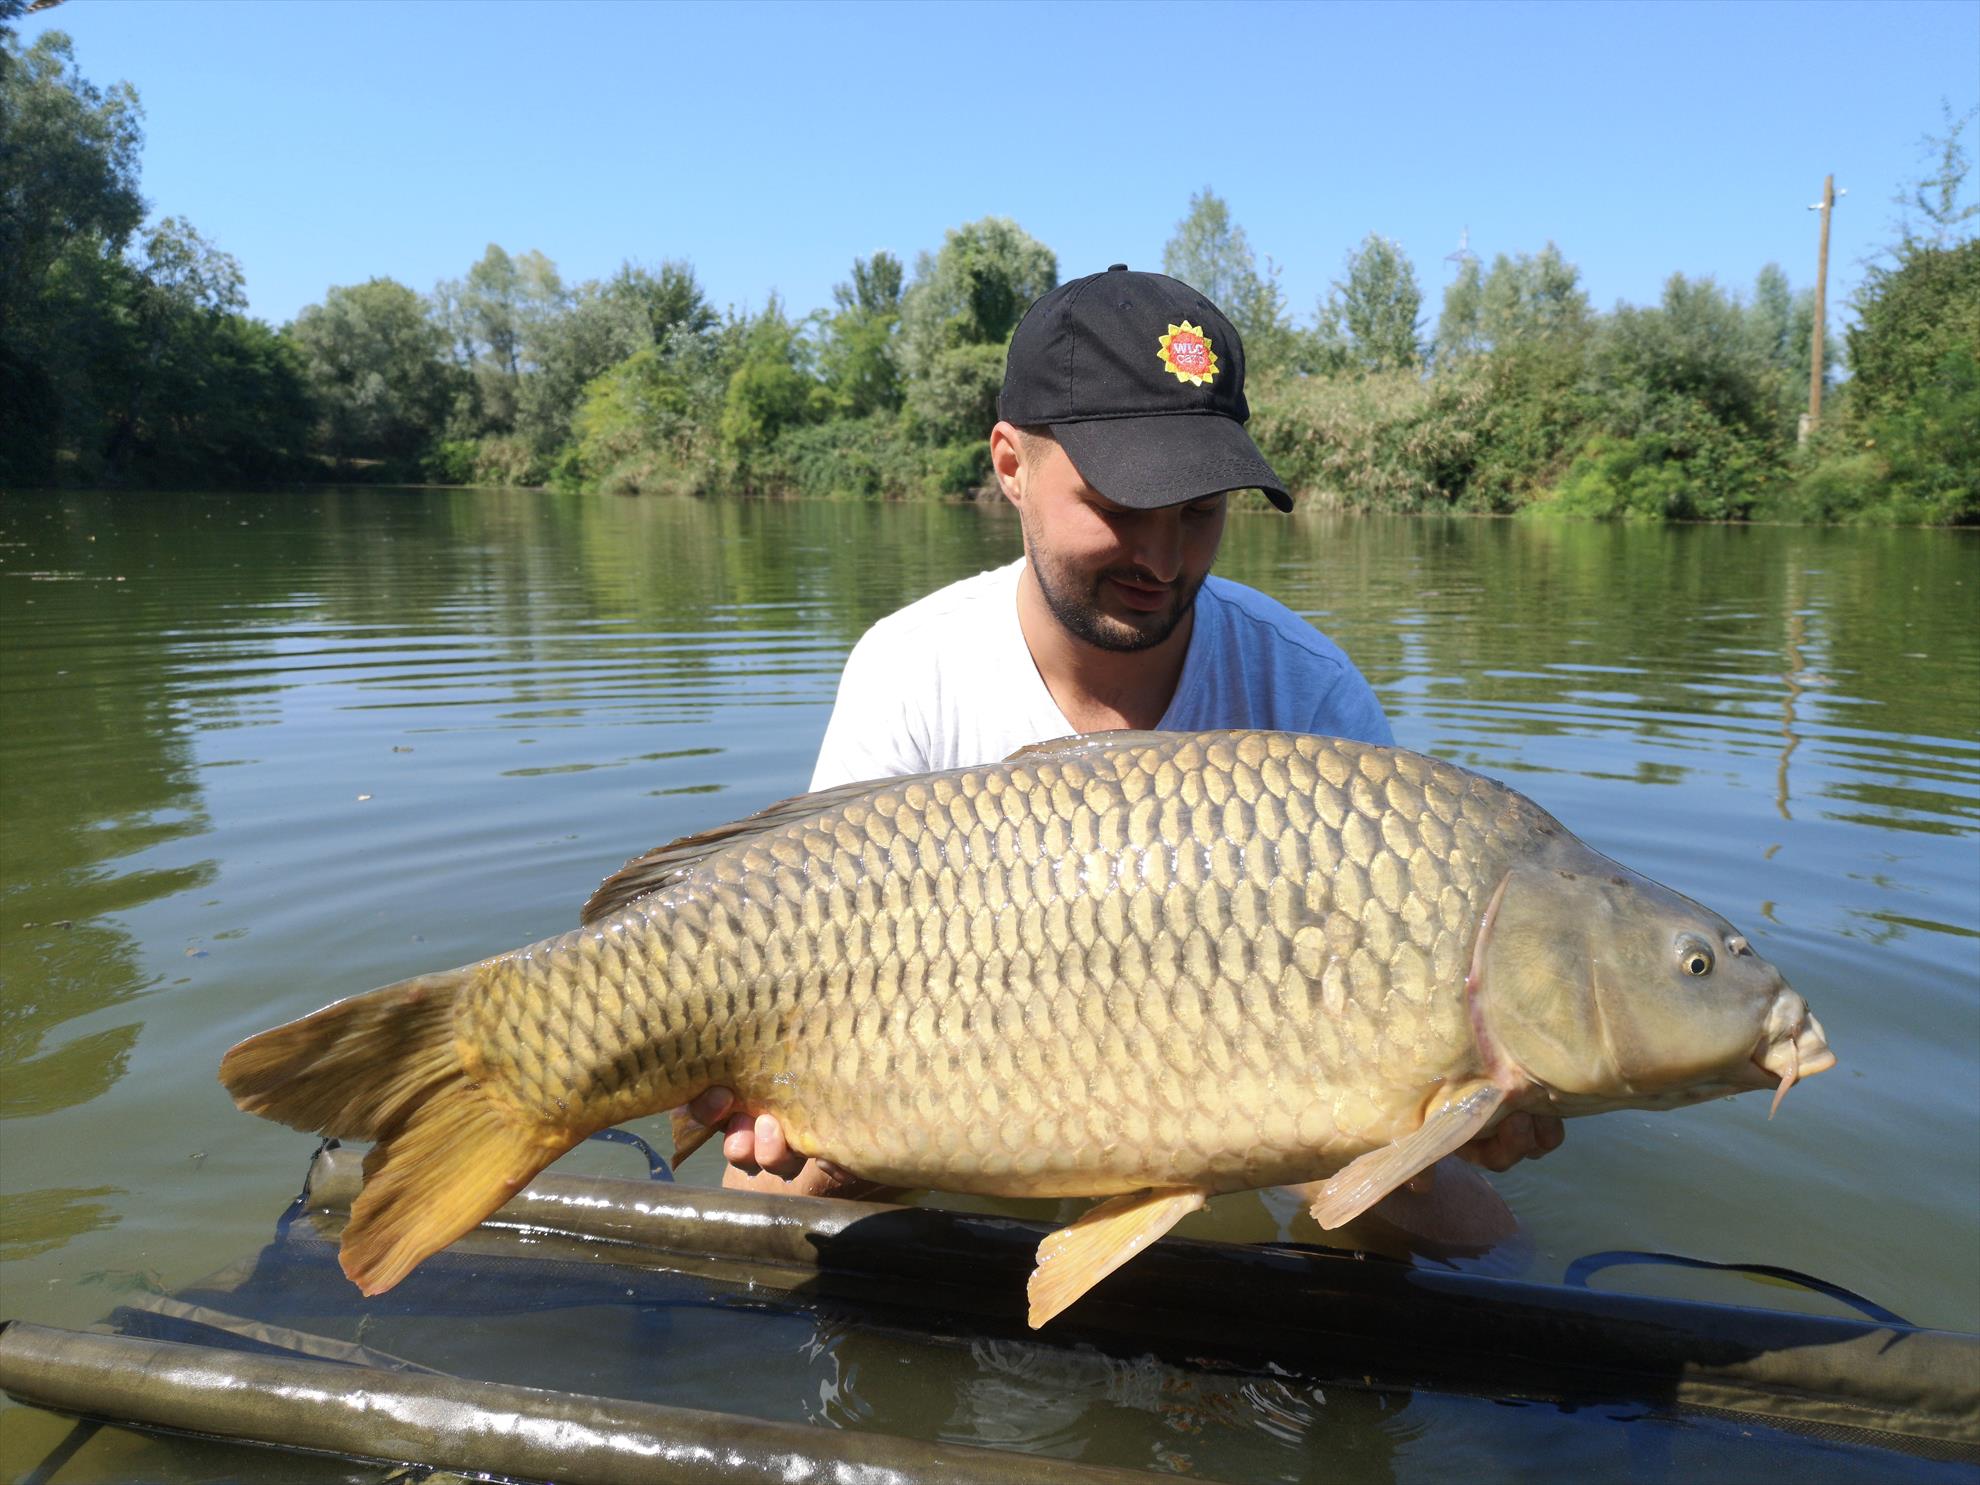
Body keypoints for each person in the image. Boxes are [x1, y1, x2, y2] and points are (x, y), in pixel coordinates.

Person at [691, 266, 1563, 1197]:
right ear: (1010, 466)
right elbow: (798, 930)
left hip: (1253, 1107)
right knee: (775, 1193)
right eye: (1116, 509)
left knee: (1470, 1243)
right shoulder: (911, 667)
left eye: (1198, 513)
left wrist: (1446, 1103)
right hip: (945, 1081)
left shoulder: (1304, 692)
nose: (1160, 557)